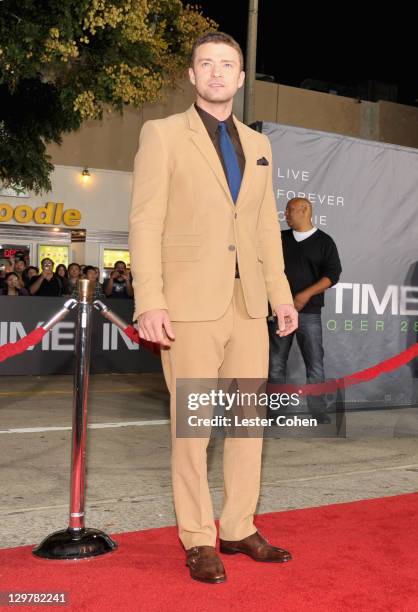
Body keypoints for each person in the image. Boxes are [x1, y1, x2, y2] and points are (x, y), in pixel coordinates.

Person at [129, 31, 298, 584]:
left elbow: (262, 232)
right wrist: (150, 299)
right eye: (207, 64)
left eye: (228, 64)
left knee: (248, 425)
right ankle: (198, 537)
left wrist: (279, 296)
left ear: (242, 77)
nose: (218, 73)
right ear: (192, 75)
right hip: (189, 308)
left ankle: (238, 526)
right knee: (195, 428)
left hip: (248, 305)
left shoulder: (259, 144)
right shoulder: (162, 135)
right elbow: (145, 222)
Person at [268, 197, 342, 424]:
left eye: (290, 210)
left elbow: (333, 274)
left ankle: (317, 409)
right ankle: (275, 411)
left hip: (309, 313)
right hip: (279, 312)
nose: (286, 214)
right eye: (286, 211)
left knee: (315, 362)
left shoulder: (324, 241)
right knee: (275, 363)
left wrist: (305, 294)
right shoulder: (279, 239)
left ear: (304, 210)